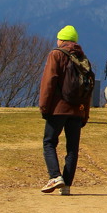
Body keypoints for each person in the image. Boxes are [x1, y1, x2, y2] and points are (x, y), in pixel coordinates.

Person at [39, 25, 91, 196]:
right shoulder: (83, 59)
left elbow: (49, 82)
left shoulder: (56, 54)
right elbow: (88, 89)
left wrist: (45, 107)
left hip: (58, 109)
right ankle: (67, 185)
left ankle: (55, 176)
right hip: (78, 110)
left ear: (61, 40)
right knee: (72, 148)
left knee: (49, 142)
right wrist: (85, 113)